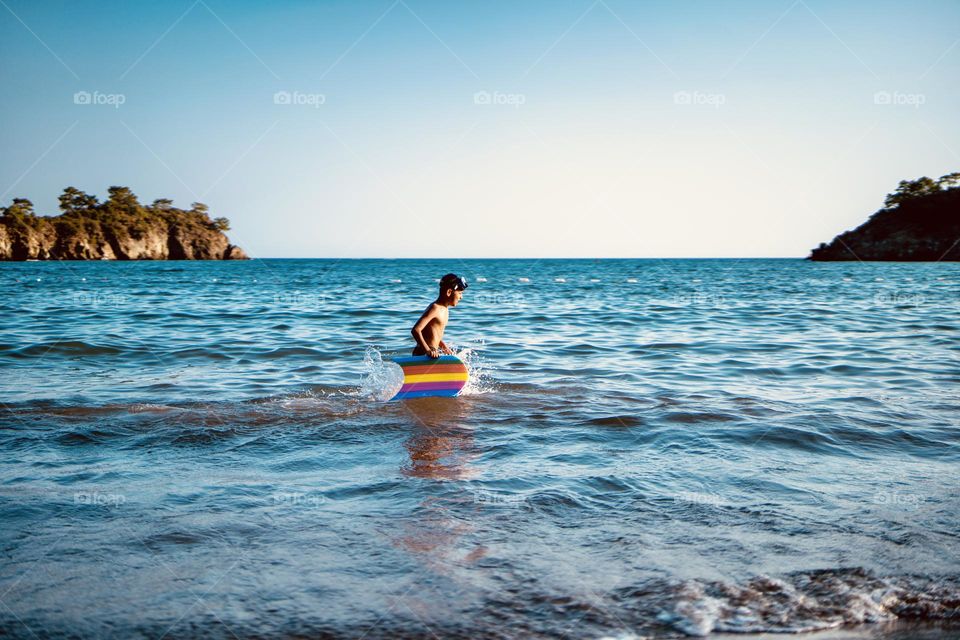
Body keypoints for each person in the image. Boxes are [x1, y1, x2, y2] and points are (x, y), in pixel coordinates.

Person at [411, 273, 467, 358]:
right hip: (422, 354)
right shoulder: (435, 308)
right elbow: (416, 330)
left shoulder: (445, 309)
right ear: (449, 292)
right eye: (460, 293)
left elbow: (434, 335)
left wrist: (444, 348)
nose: (461, 297)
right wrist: (428, 351)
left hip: (432, 353)